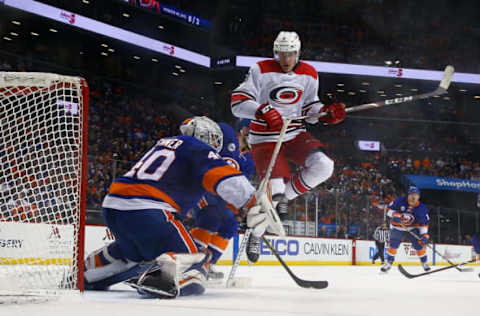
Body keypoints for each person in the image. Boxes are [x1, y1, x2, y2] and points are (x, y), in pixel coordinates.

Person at [83, 116, 280, 298]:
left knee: (134, 253)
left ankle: (92, 270)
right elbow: (220, 176)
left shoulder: (163, 144)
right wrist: (251, 201)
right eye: (214, 142)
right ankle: (164, 277)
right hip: (150, 211)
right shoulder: (197, 147)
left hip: (113, 207)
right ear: (207, 136)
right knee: (198, 262)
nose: (215, 148)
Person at [230, 31, 346, 260]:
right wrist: (262, 110)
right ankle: (257, 231)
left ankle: (277, 202)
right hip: (265, 139)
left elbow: (310, 109)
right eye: (282, 54)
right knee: (276, 188)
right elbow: (237, 103)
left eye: (291, 54)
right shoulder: (260, 69)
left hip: (294, 134)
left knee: (324, 166)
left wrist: (325, 114)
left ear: (298, 53)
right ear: (276, 52)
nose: (286, 59)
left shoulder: (310, 73)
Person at [189, 122, 255, 280]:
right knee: (210, 218)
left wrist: (239, 209)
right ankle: (188, 262)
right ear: (244, 130)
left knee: (230, 225)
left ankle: (207, 265)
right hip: (202, 184)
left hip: (221, 196)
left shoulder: (249, 160)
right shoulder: (225, 132)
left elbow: (240, 185)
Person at [381, 186, 430, 273]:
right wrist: (395, 215)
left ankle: (424, 263)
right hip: (397, 227)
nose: (413, 197)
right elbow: (388, 210)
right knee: (393, 244)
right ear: (408, 195)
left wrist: (424, 235)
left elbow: (424, 224)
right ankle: (388, 263)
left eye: (415, 195)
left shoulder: (422, 209)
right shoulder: (399, 201)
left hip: (412, 228)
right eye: (411, 195)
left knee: (419, 245)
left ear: (419, 196)